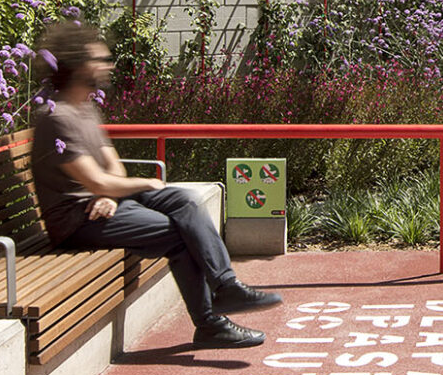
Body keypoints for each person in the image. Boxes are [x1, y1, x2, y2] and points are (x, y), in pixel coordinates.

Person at [30, 21, 281, 348]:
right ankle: (210, 325)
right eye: (101, 60)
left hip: (102, 206)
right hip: (78, 221)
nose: (108, 66)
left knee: (184, 200)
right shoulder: (57, 117)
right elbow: (94, 179)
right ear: (78, 66)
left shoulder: (85, 108)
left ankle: (226, 285)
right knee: (177, 232)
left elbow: (113, 168)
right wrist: (131, 185)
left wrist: (112, 193)